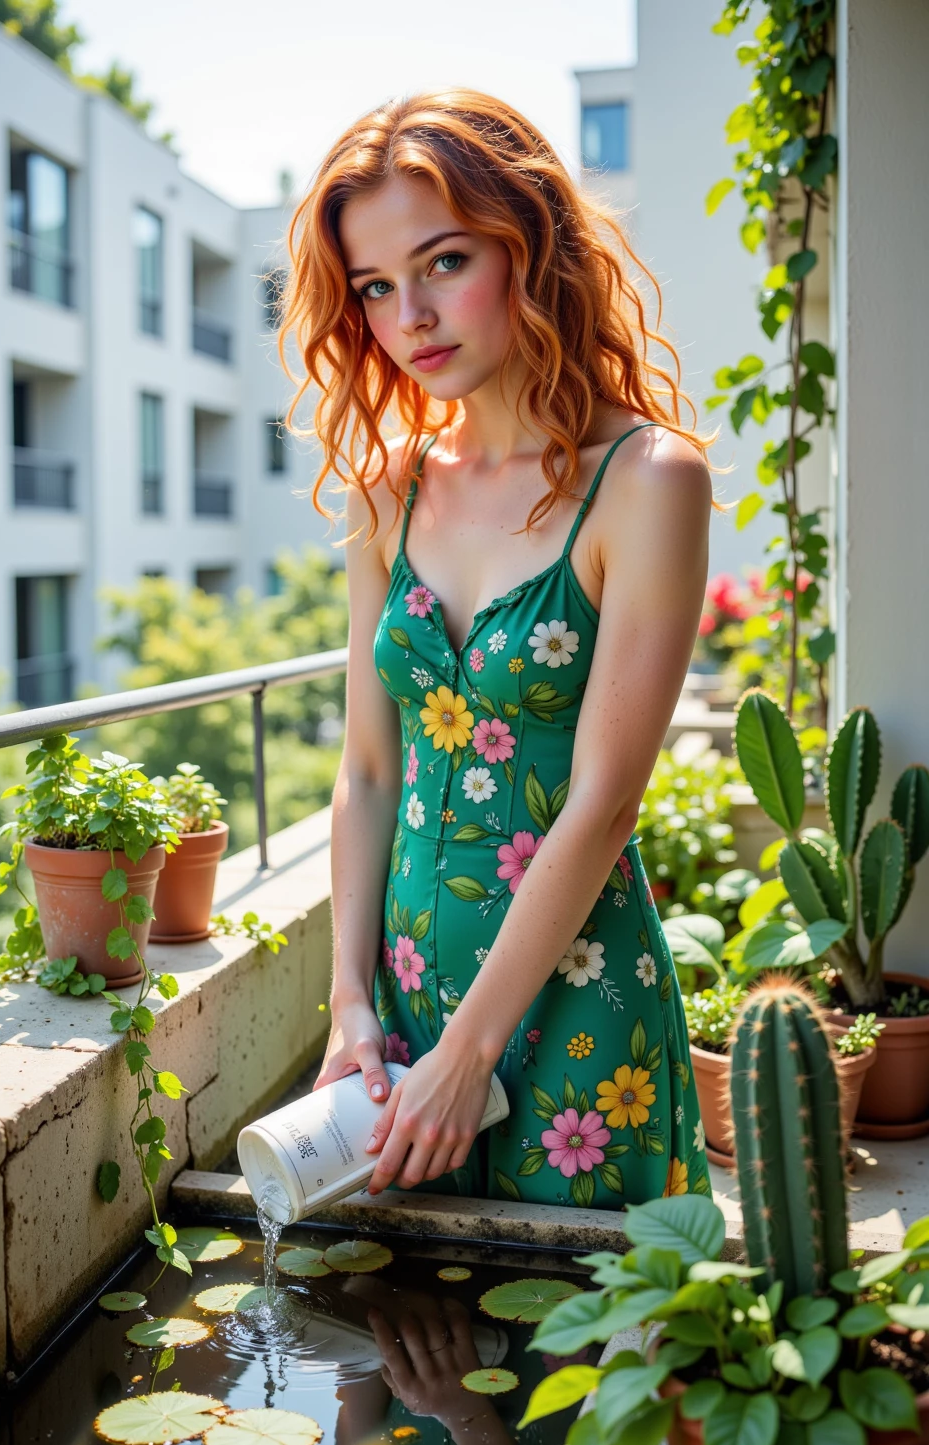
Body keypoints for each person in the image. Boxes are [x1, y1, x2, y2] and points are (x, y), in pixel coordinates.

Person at [279, 89, 717, 1209]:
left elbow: (605, 803)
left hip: (571, 1012)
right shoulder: (390, 490)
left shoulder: (646, 481)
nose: (409, 315)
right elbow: (370, 771)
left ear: (531, 244)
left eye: (442, 262)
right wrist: (349, 1003)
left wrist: (470, 1055)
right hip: (407, 1003)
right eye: (375, 288)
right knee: (415, 1356)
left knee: (577, 1363)